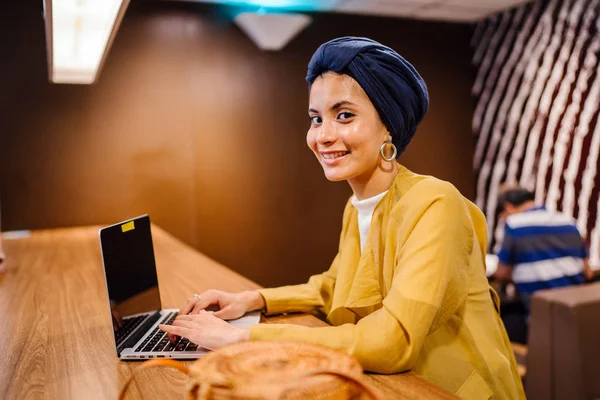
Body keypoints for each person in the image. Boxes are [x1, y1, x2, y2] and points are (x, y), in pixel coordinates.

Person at [159, 37, 524, 398]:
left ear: (388, 127)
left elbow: (393, 341)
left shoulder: (434, 202)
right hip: (391, 385)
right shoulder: (357, 206)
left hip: (451, 389)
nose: (323, 135)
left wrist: (242, 336)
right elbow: (331, 287)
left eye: (344, 115)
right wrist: (251, 300)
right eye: (316, 119)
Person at [493, 187, 593, 313]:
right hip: (576, 309)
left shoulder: (514, 224)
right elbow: (587, 272)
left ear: (507, 207)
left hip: (542, 314)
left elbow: (501, 273)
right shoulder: (568, 221)